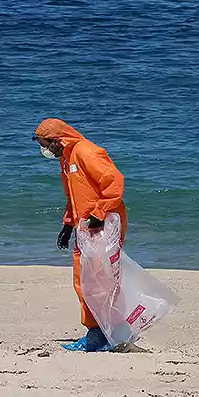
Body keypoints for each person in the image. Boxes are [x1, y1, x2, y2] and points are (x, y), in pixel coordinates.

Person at [33, 118, 126, 352]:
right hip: (84, 227)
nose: (43, 149)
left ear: (57, 140)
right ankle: (100, 331)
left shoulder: (86, 152)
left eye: (45, 144)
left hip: (102, 224)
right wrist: (67, 225)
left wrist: (99, 213)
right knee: (85, 280)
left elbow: (113, 182)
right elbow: (74, 196)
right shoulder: (66, 159)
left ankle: (101, 335)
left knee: (98, 281)